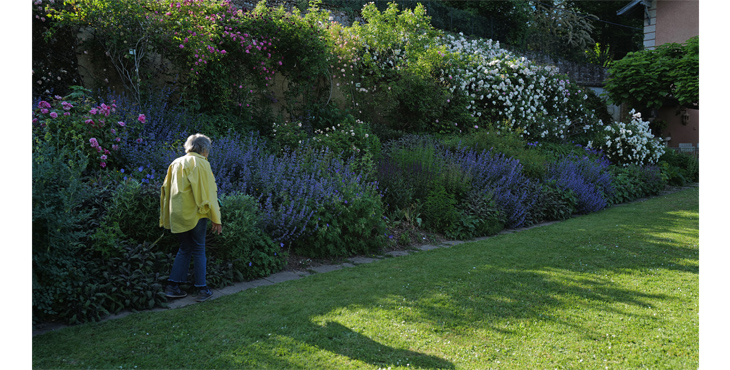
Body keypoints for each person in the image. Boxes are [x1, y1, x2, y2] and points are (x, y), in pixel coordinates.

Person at [160, 133, 223, 302]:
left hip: (178, 214)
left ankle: (172, 286)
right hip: (196, 214)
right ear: (204, 150)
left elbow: (165, 189)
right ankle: (202, 289)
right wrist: (216, 218)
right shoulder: (201, 163)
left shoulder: (176, 163)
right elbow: (208, 193)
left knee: (185, 247)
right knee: (199, 248)